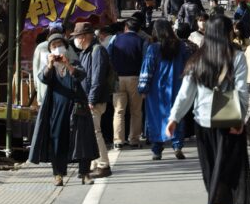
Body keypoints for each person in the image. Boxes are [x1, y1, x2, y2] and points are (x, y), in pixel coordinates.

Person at [166, 16, 250, 204]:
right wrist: (239, 119)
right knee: (226, 168)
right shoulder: (237, 57)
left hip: (203, 120)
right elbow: (242, 92)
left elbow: (186, 93)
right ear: (227, 33)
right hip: (227, 118)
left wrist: (174, 117)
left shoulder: (197, 59)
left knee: (211, 170)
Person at [28, 33, 98, 185]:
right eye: (54, 46)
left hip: (76, 107)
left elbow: (80, 75)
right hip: (56, 109)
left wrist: (67, 64)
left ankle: (85, 173)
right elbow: (43, 78)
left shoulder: (73, 61)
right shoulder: (50, 67)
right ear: (50, 50)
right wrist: (50, 65)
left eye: (60, 45)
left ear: (66, 47)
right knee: (57, 140)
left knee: (82, 140)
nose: (57, 48)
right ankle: (58, 174)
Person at [138, 20, 190, 160]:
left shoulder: (153, 48)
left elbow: (147, 69)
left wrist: (143, 88)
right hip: (177, 87)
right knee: (177, 114)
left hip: (157, 90)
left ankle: (157, 149)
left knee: (156, 117)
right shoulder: (182, 47)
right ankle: (177, 145)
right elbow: (189, 66)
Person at [72, 21, 112, 179]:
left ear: (86, 36)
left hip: (94, 99)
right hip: (88, 98)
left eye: (78, 36)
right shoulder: (86, 52)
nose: (77, 40)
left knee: (95, 132)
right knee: (92, 132)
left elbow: (97, 78)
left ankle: (104, 164)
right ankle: (96, 164)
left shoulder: (97, 50)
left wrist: (91, 99)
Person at [110, 19, 147, 149]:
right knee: (136, 111)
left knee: (119, 110)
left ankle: (118, 140)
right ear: (138, 30)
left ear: (125, 27)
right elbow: (144, 61)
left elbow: (109, 54)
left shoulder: (116, 39)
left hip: (118, 78)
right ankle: (134, 139)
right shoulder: (141, 41)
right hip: (134, 78)